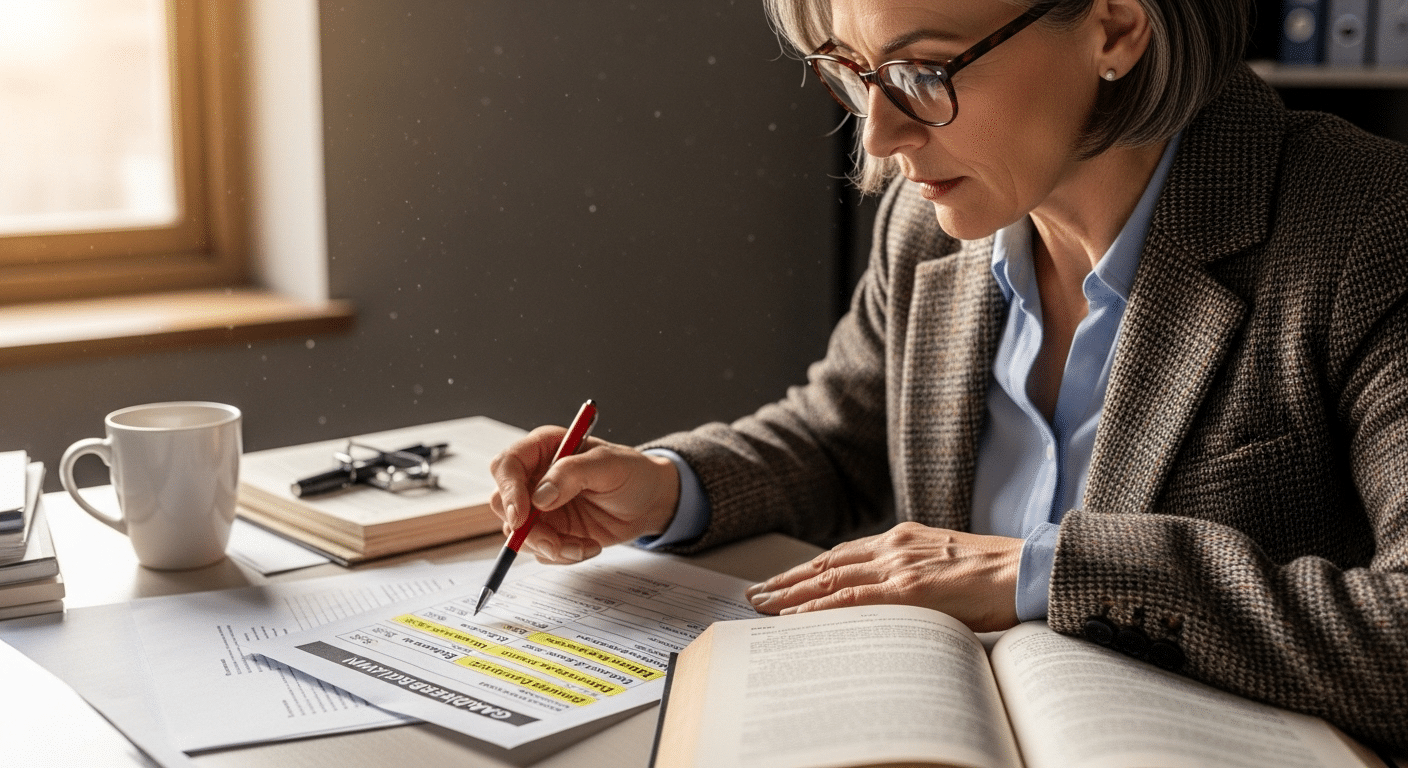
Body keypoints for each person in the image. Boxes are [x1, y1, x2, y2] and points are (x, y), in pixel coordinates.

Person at [489, 0, 1408, 751]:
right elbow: (839, 438)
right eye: (852, 71)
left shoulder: (1368, 230)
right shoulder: (932, 219)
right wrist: (665, 487)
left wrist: (1042, 573)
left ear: (1117, 27)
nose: (881, 136)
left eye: (924, 73)